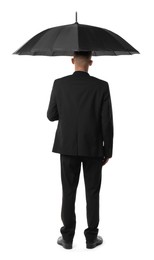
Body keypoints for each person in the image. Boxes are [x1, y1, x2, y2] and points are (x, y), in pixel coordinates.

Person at [47, 51, 114, 249]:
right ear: (91, 62)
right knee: (93, 193)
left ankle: (67, 238)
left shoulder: (59, 84)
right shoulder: (101, 86)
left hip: (66, 147)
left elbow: (51, 115)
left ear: (72, 60)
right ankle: (91, 238)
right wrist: (107, 151)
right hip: (93, 148)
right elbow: (107, 122)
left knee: (68, 192)